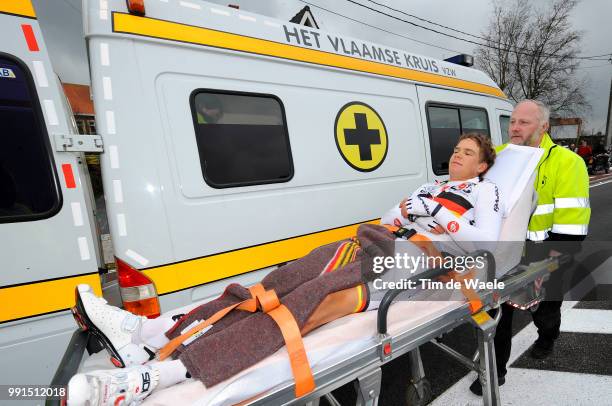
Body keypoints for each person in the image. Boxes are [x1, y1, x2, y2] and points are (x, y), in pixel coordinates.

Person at [68, 134, 502, 406]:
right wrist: (414, 205)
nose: (456, 157)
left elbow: (483, 240)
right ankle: (152, 336)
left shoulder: (484, 192)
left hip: (414, 259)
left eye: (466, 153)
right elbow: (391, 215)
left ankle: (165, 373)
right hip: (372, 241)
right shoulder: (431, 186)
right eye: (455, 151)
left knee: (311, 303)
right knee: (270, 287)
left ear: (482, 165)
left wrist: (433, 213)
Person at [469, 100, 590, 396]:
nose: (514, 127)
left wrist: (552, 263)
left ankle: (547, 337)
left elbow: (572, 223)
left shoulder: (567, 162)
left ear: (543, 126)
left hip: (545, 254)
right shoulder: (499, 156)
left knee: (545, 311)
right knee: (498, 312)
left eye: (523, 122)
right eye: (512, 121)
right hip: (505, 255)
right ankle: (495, 373)